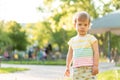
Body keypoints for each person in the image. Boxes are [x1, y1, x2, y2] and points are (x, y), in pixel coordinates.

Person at [64, 11, 99, 80]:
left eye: (85, 25)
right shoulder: (72, 41)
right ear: (75, 25)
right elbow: (69, 54)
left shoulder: (91, 39)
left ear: (89, 26)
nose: (82, 27)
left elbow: (96, 52)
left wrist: (95, 65)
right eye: (80, 24)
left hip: (89, 68)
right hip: (77, 69)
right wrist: (67, 67)